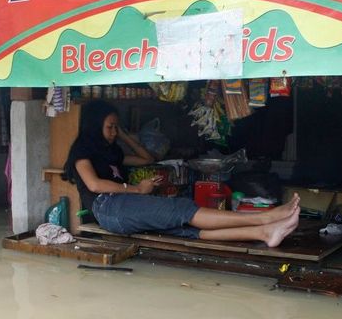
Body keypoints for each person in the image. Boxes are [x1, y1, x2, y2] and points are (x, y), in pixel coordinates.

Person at [64, 100, 301, 247]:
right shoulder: (82, 150)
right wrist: (136, 189)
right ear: (95, 125)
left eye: (116, 126)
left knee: (188, 230)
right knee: (181, 209)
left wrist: (125, 135)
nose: (114, 132)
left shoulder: (111, 151)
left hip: (123, 205)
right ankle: (266, 218)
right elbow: (94, 185)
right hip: (108, 207)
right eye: (110, 127)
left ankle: (263, 233)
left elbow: (148, 158)